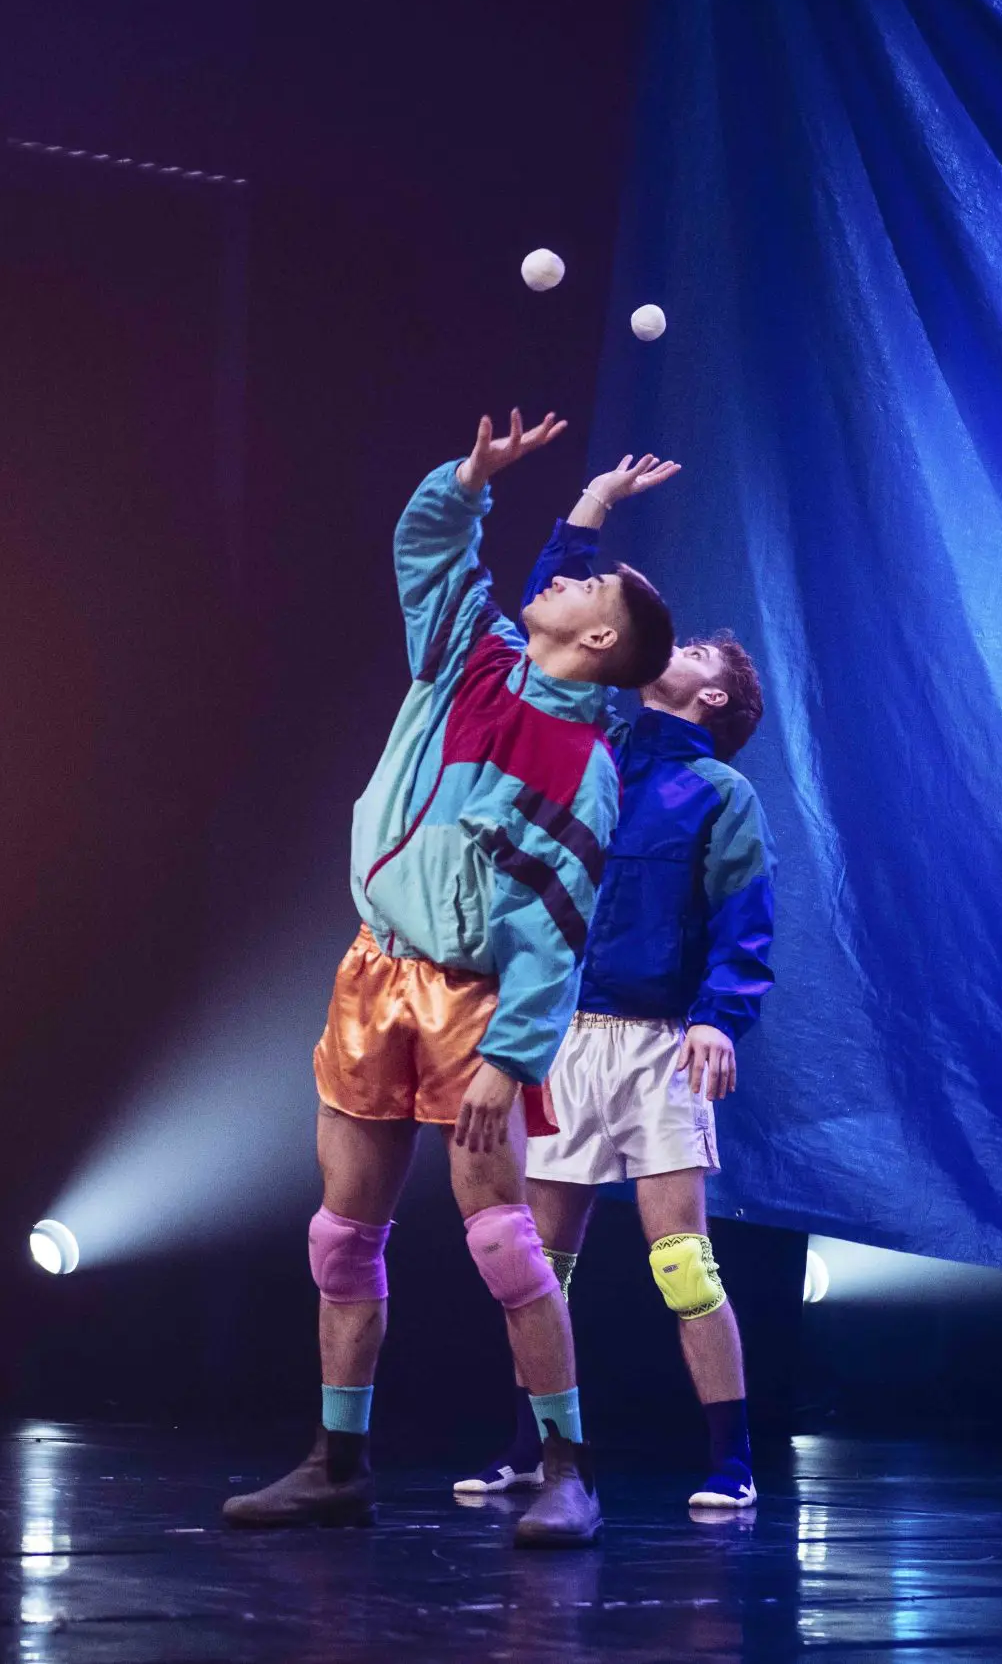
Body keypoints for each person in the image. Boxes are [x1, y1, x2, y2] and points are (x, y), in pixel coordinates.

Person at [221, 411, 677, 1550]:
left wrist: (511, 1057)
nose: (562, 575)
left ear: (600, 638)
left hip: (474, 1005)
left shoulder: (582, 762)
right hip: (373, 973)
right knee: (341, 1238)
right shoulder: (468, 653)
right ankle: (337, 1464)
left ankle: (567, 1468)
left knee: (504, 1242)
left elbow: (555, 928)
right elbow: (428, 548)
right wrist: (469, 481)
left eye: (587, 583)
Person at [451, 481, 773, 1512]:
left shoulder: (720, 794)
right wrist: (585, 513)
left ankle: (732, 1461)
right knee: (536, 1266)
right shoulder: (596, 743)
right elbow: (561, 617)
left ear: (713, 698)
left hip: (657, 1046)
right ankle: (534, 1450)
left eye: (700, 653)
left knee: (682, 1264)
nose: (680, 647)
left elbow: (743, 923)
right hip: (564, 1041)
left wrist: (719, 1019)